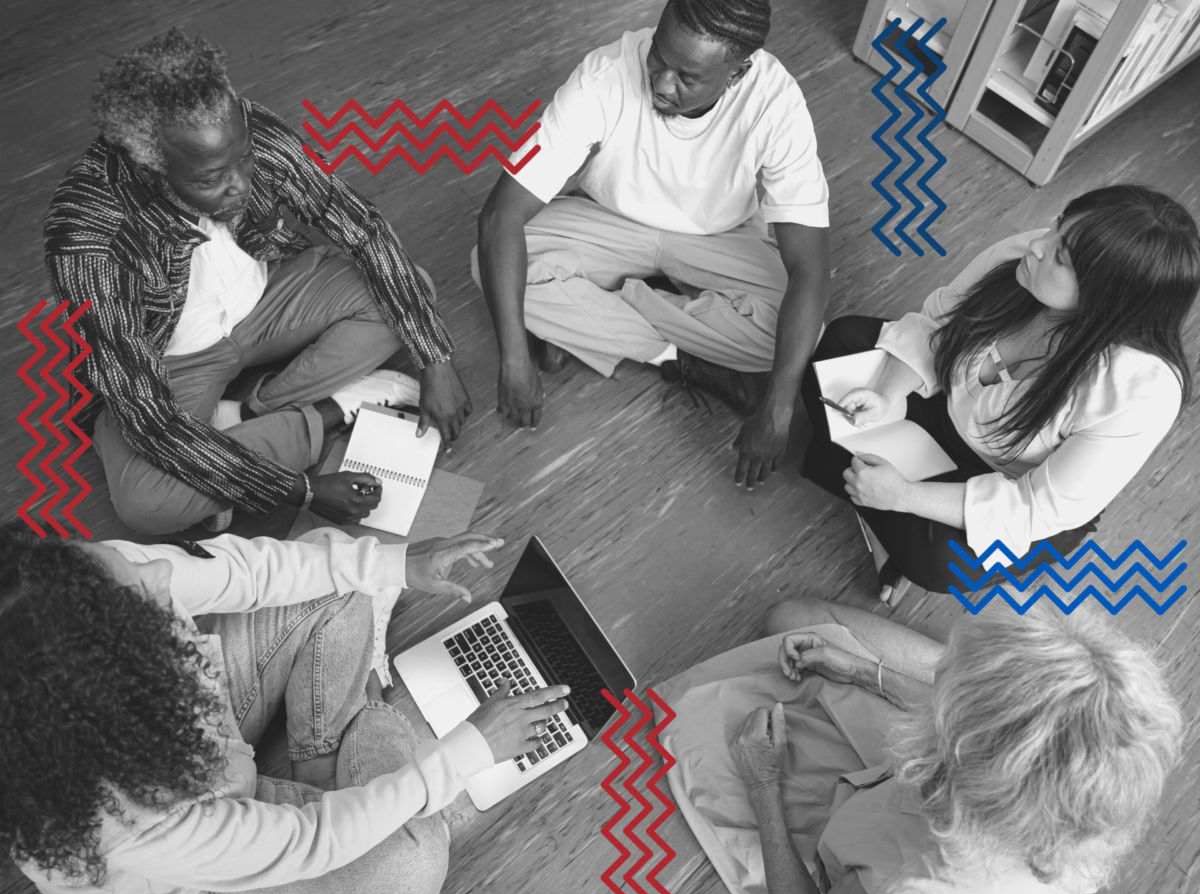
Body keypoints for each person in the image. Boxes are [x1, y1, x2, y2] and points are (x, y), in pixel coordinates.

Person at [0, 521, 570, 894]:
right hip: (183, 892)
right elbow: (309, 843)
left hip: (197, 733)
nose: (156, 568)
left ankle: (320, 768)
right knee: (412, 868)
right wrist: (470, 750)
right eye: (138, 590)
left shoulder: (68, 585)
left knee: (347, 577)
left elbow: (238, 571)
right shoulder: (123, 819)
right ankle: (354, 730)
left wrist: (396, 564)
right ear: (104, 675)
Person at [46, 29, 473, 536]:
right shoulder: (87, 235)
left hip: (265, 303)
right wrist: (303, 491)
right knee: (145, 503)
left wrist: (435, 360)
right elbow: (150, 419)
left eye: (244, 159)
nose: (242, 185)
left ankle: (246, 414)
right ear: (153, 167)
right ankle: (330, 409)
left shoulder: (238, 129)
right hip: (171, 365)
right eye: (211, 179)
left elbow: (361, 227)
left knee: (409, 291)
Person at [655, 596, 1181, 894]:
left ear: (955, 766)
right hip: (893, 802)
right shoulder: (1078, 806)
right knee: (791, 621)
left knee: (682, 718)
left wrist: (763, 782)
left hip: (860, 869)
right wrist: (862, 671)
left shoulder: (907, 893)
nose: (939, 682)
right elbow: (955, 712)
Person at [473, 0, 831, 487]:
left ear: (736, 72)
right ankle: (678, 357)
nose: (662, 83)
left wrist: (780, 404)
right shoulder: (605, 74)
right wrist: (513, 357)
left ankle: (585, 319)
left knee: (798, 335)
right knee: (488, 262)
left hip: (717, 238)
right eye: (658, 58)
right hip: (609, 219)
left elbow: (810, 267)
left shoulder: (776, 103)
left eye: (687, 77)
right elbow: (500, 217)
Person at [798, 184, 1200, 605]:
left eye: (1061, 257)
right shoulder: (1027, 255)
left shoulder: (1139, 392)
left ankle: (871, 495)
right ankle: (876, 506)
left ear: (1107, 301)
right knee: (841, 342)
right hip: (947, 410)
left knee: (940, 562)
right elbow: (938, 322)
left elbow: (1034, 506)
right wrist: (887, 392)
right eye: (1059, 225)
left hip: (1011, 485)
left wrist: (904, 495)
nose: (1040, 245)